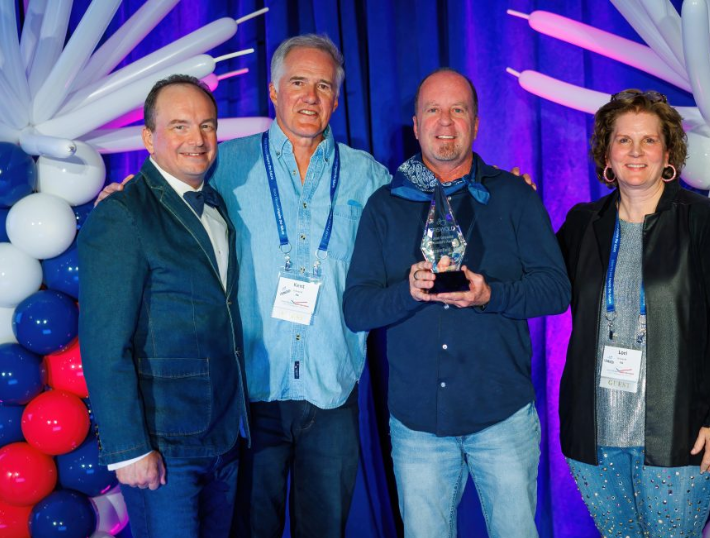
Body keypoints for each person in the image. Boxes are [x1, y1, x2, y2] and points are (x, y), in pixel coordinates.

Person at [342, 68, 571, 538]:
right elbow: (357, 309)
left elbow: (556, 290)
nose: (445, 122)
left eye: (458, 110)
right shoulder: (384, 206)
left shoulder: (513, 197)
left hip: (502, 419)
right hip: (417, 426)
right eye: (433, 110)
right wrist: (406, 293)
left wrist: (491, 295)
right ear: (415, 122)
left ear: (476, 122)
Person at [208, 35, 390, 538]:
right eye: (298, 82)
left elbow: (424, 223)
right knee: (250, 529)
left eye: (324, 86)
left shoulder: (368, 175)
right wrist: (126, 194)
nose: (311, 96)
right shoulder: (226, 166)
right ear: (273, 90)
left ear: (335, 98)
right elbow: (169, 202)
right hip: (254, 391)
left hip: (331, 386)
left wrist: (493, 192)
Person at [556, 89, 710, 535]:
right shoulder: (583, 222)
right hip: (595, 430)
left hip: (679, 430)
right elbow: (541, 284)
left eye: (648, 140)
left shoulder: (703, 218)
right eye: (623, 140)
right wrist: (518, 213)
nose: (636, 151)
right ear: (607, 152)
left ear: (668, 151)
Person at [78, 75, 249, 537]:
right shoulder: (123, 214)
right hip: (163, 447)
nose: (196, 139)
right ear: (148, 138)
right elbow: (103, 343)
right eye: (179, 126)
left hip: (225, 438)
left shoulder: (217, 208)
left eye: (207, 126)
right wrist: (130, 449)